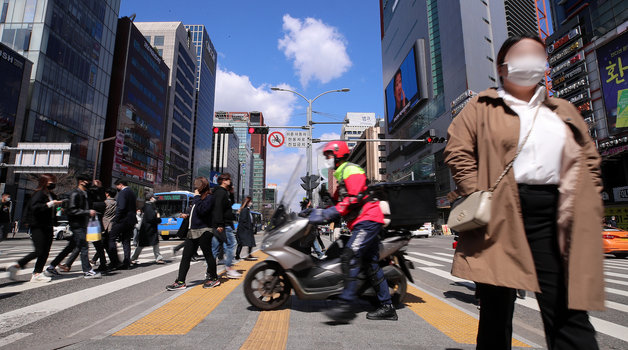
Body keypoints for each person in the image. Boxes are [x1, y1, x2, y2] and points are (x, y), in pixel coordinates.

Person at [444, 33, 603, 350]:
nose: (530, 63)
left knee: (568, 311)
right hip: (499, 215)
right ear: (502, 68)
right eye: (521, 56)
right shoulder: (481, 105)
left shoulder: (563, 109)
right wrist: (480, 194)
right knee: (496, 310)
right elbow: (457, 151)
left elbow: (589, 161)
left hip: (558, 215)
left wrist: (589, 200)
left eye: (537, 56)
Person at [309, 141, 397, 322]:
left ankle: (346, 305)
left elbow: (354, 198)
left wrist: (329, 212)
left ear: (338, 155)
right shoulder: (342, 175)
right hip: (362, 222)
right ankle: (387, 306)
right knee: (371, 264)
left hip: (368, 219)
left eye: (329, 155)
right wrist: (311, 212)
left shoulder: (351, 169)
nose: (327, 159)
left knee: (350, 255)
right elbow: (334, 205)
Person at [7, 174, 63, 283]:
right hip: (38, 225)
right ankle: (17, 265)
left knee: (45, 251)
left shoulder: (51, 194)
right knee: (39, 250)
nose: (53, 184)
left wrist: (56, 210)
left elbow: (52, 210)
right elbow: (34, 208)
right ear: (44, 182)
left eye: (54, 181)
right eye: (51, 182)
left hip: (48, 225)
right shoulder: (39, 194)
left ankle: (37, 273)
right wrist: (51, 204)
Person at [167, 177, 220, 290]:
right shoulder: (199, 198)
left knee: (208, 255)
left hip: (204, 230)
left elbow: (202, 211)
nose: (195, 187)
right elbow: (196, 211)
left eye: (197, 185)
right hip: (193, 231)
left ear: (202, 186)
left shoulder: (210, 198)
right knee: (186, 256)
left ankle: (214, 278)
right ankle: (180, 281)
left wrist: (196, 197)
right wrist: (187, 214)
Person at [46, 174, 101, 279]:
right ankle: (87, 270)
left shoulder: (87, 193)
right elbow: (72, 210)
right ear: (81, 181)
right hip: (77, 224)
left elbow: (99, 198)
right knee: (84, 246)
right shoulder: (75, 194)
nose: (89, 183)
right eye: (87, 181)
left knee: (70, 247)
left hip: (83, 224)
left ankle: (51, 267)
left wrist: (98, 188)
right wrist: (87, 212)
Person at [211, 173, 242, 279]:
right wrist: (220, 224)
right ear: (223, 181)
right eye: (228, 179)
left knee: (215, 248)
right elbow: (218, 208)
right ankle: (228, 268)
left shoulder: (225, 192)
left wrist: (232, 193)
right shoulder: (220, 192)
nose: (230, 181)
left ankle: (209, 272)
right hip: (223, 224)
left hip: (223, 224)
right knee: (231, 244)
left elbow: (231, 205)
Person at [107, 179, 137, 270]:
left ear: (120, 184)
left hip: (122, 220)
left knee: (111, 238)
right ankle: (126, 262)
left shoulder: (123, 193)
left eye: (117, 186)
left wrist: (116, 219)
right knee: (126, 241)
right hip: (131, 220)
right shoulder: (132, 192)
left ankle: (115, 261)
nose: (116, 188)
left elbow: (121, 207)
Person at [130, 194, 164, 265]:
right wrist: (158, 219)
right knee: (143, 244)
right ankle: (132, 258)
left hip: (148, 228)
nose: (155, 199)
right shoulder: (149, 207)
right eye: (154, 198)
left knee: (152, 244)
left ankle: (158, 258)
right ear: (151, 198)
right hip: (148, 229)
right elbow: (151, 218)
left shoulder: (148, 206)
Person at [235, 196, 257, 261]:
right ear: (247, 202)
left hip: (246, 229)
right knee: (243, 242)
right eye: (250, 202)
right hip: (244, 230)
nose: (251, 203)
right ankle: (238, 255)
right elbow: (244, 220)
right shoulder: (245, 210)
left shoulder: (246, 210)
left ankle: (241, 255)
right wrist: (248, 227)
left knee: (247, 242)